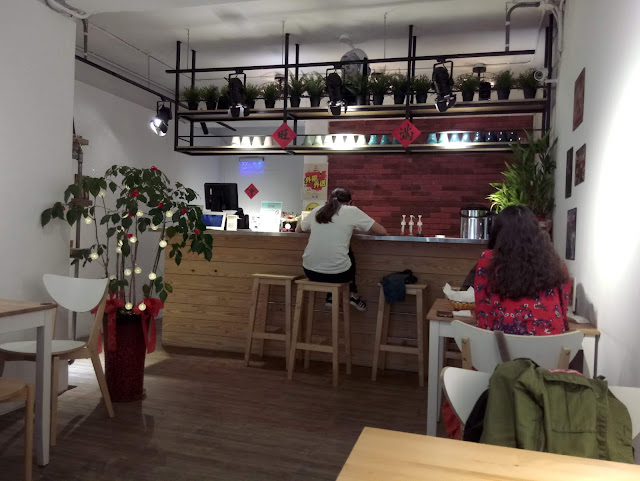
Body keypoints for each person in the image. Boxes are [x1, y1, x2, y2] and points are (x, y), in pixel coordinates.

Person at [474, 205, 571, 335]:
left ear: (498, 233)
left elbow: (482, 312)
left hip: (502, 345)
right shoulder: (557, 264)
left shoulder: (488, 260)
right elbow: (563, 311)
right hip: (550, 344)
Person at [296, 187, 387, 311]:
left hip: (310, 272)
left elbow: (298, 229)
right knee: (344, 252)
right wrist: (354, 229)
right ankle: (352, 294)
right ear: (350, 202)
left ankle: (331, 297)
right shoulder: (352, 211)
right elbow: (382, 231)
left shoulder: (317, 210)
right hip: (338, 275)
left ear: (329, 201)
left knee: (336, 254)